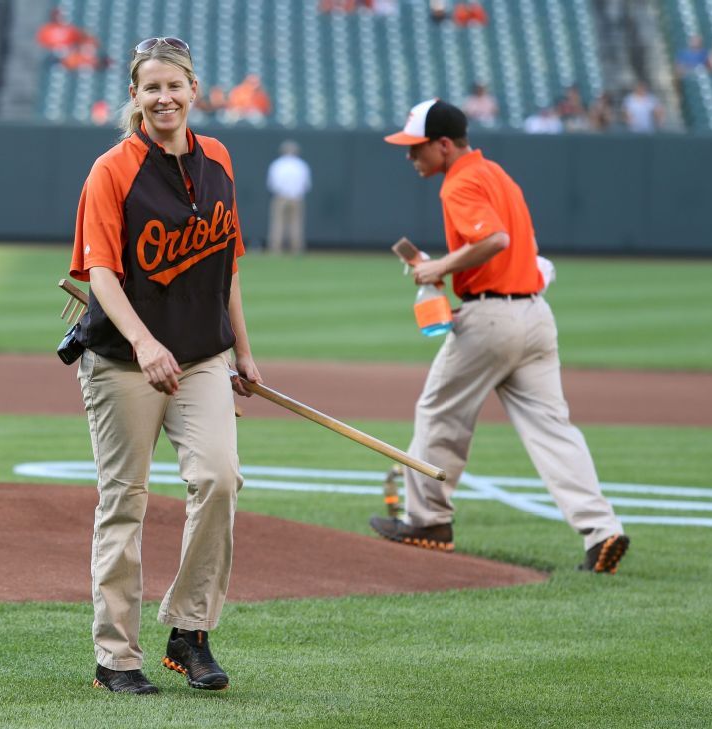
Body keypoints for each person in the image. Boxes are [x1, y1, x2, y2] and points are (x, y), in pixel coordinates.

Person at [67, 35, 261, 695]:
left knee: (220, 477)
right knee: (124, 500)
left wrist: (242, 347)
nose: (164, 97)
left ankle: (189, 630)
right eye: (151, 87)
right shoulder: (112, 169)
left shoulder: (219, 160)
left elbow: (226, 264)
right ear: (135, 96)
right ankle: (116, 657)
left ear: (193, 90)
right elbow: (101, 274)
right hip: (123, 359)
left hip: (202, 356)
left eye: (174, 85)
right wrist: (146, 343)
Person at [374, 98, 629, 574]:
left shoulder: (461, 182)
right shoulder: (497, 175)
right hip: (534, 315)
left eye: (417, 148)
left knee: (439, 414)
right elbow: (513, 249)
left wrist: (438, 267)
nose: (411, 157)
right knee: (554, 431)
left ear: (445, 145)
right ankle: (602, 531)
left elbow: (494, 241)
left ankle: (428, 521)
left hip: (493, 319)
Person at [266, 140, 312, 255]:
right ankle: (296, 249)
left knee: (278, 223)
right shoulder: (301, 165)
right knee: (295, 224)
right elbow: (306, 184)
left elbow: (272, 183)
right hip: (296, 197)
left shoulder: (277, 164)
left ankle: (276, 249)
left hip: (281, 197)